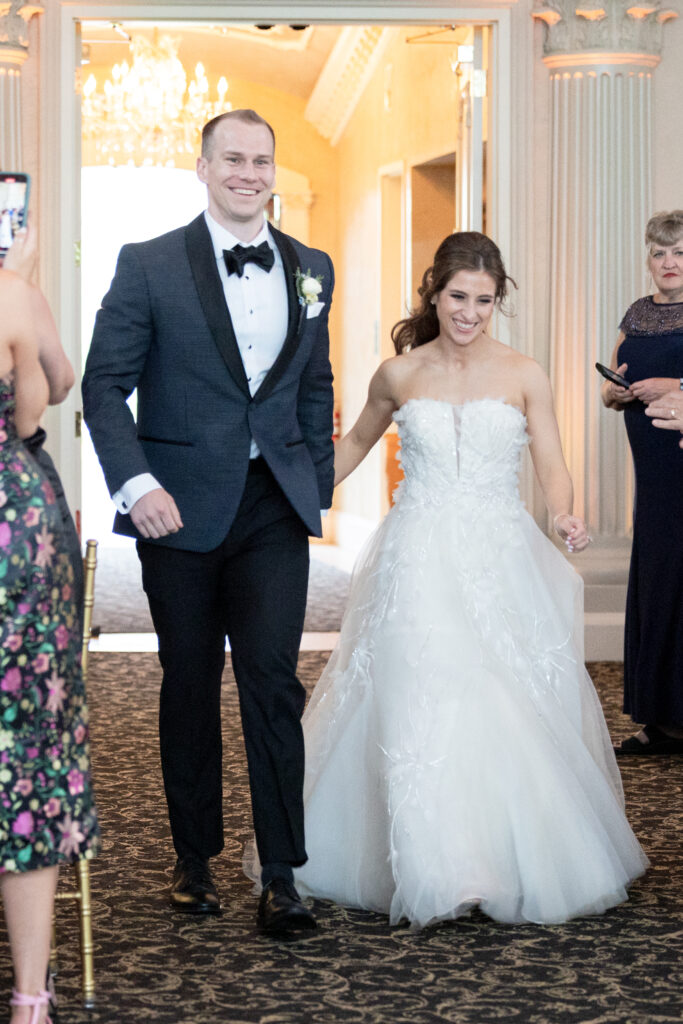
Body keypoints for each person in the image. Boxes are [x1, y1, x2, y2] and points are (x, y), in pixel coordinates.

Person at [271, 232, 648, 930]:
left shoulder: (524, 372)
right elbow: (351, 444)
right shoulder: (398, 373)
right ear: (433, 293)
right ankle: (432, 863)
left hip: (497, 551)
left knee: (495, 695)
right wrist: (294, 495)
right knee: (418, 695)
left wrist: (564, 511)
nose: (469, 312)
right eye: (456, 298)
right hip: (415, 551)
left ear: (495, 300)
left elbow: (551, 461)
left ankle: (493, 859)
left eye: (482, 300)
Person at [82, 109, 334, 933]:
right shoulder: (148, 264)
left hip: (271, 512)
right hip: (177, 511)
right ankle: (194, 861)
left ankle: (281, 874)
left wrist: (313, 485)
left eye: (261, 161)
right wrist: (135, 484)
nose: (248, 173)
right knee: (188, 684)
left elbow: (312, 385)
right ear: (201, 166)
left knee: (272, 683)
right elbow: (102, 386)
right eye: (232, 158)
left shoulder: (310, 266)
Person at [1, 241, 99, 1024]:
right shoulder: (9, 293)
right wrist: (25, 293)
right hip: (14, 532)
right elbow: (43, 400)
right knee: (24, 750)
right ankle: (30, 996)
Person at [601, 210, 683, 756]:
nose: (669, 262)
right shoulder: (636, 313)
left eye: (678, 252)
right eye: (659, 252)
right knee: (656, 575)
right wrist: (620, 391)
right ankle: (663, 718)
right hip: (650, 469)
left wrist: (671, 383)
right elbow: (611, 386)